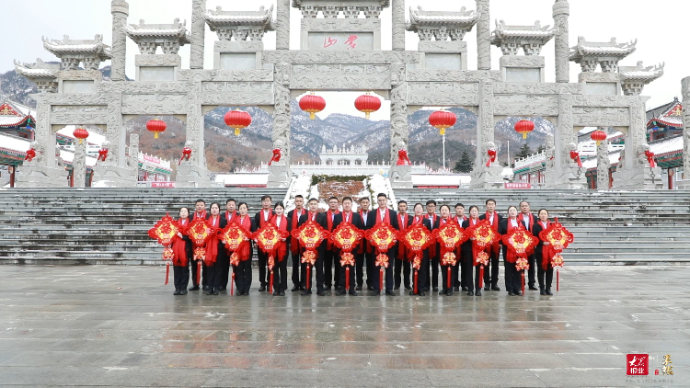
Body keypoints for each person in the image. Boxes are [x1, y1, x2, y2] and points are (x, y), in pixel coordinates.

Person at [365, 193, 399, 296]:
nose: (382, 202)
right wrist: (373, 239)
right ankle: (376, 288)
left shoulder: (393, 213)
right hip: (376, 245)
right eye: (380, 200)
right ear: (377, 201)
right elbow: (368, 228)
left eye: (383, 200)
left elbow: (396, 228)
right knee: (376, 266)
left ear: (386, 201)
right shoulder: (372, 213)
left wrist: (392, 239)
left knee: (389, 266)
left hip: (389, 246)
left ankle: (389, 288)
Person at [332, 197, 363, 296]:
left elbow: (361, 231)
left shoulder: (357, 216)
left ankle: (352, 288)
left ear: (351, 204)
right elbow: (334, 231)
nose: (347, 205)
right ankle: (341, 288)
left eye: (348, 203)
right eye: (345, 203)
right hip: (341, 247)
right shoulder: (337, 217)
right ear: (342, 205)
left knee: (352, 267)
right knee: (341, 267)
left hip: (353, 247)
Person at [298, 198, 328, 296]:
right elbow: (299, 231)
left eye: (315, 204)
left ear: (317, 205)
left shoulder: (322, 217)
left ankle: (320, 288)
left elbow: (325, 231)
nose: (313, 206)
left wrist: (318, 239)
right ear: (308, 205)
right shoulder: (303, 217)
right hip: (306, 248)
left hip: (319, 248)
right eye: (311, 204)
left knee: (319, 268)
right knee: (307, 268)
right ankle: (307, 288)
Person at [498, 206, 524, 296]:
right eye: (510, 210)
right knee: (509, 269)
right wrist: (505, 240)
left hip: (519, 249)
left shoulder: (521, 222)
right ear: (508, 212)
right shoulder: (503, 222)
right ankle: (510, 289)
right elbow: (499, 233)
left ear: (517, 212)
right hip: (508, 248)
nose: (512, 212)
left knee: (518, 268)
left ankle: (517, 288)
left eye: (514, 210)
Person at [479, 199, 502, 291]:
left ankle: (494, 283)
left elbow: (501, 231)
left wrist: (499, 242)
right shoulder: (482, 217)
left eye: (492, 204)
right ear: (486, 206)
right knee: (485, 264)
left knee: (495, 264)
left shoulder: (499, 217)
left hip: (496, 245)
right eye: (489, 204)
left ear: (495, 206)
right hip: (485, 245)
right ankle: (487, 283)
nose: (491, 206)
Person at [409, 203, 432, 296]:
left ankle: (421, 289)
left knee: (423, 269)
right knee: (414, 268)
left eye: (420, 208)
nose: (418, 210)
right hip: (413, 249)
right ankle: (414, 287)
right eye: (416, 208)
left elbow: (429, 235)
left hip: (423, 249)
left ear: (423, 210)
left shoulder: (426, 221)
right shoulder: (410, 220)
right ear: (414, 210)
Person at [435, 205, 458, 296]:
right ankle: (444, 287)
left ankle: (450, 288)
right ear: (440, 212)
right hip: (441, 249)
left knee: (451, 269)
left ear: (449, 212)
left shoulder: (454, 222)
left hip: (452, 250)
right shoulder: (437, 222)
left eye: (446, 210)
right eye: (442, 210)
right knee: (443, 269)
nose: (444, 212)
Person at [233, 202, 256, 296]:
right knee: (238, 268)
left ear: (247, 209)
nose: (242, 210)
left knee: (247, 268)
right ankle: (239, 287)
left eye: (244, 208)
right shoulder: (235, 220)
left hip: (247, 246)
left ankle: (246, 288)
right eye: (241, 208)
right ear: (238, 210)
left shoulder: (252, 220)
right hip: (236, 247)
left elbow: (254, 233)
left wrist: (250, 237)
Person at [269, 202, 291, 296]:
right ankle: (276, 287)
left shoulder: (287, 220)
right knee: (274, 267)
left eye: (280, 209)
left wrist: (286, 238)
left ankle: (282, 288)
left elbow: (290, 232)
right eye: (277, 209)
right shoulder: (271, 220)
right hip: (273, 247)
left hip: (283, 247)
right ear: (275, 210)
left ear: (283, 210)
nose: (278, 210)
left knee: (283, 268)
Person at [205, 203, 227, 296]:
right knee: (209, 268)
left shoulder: (223, 220)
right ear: (210, 210)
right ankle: (210, 287)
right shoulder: (206, 220)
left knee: (218, 268)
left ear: (219, 209)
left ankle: (216, 287)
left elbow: (225, 232)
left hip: (219, 247)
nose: (214, 209)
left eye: (216, 208)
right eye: (212, 208)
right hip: (208, 247)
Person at [254, 195, 274, 292]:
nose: (266, 203)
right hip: (261, 243)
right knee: (262, 264)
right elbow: (255, 229)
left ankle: (270, 281)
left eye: (267, 201)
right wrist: (256, 241)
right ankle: (262, 282)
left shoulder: (274, 213)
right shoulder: (258, 215)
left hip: (272, 243)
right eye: (264, 201)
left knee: (270, 262)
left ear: (271, 202)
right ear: (262, 203)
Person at [532, 209, 554, 296]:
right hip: (540, 251)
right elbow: (534, 238)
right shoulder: (536, 226)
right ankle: (542, 288)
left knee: (550, 270)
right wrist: (542, 243)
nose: (543, 215)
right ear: (539, 216)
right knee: (541, 270)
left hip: (551, 251)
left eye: (545, 214)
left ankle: (548, 288)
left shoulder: (552, 225)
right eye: (541, 214)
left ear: (547, 215)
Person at [461, 206, 482, 296]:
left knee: (479, 269)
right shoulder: (465, 223)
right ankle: (470, 289)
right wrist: (469, 238)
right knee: (469, 269)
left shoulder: (482, 222)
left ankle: (478, 289)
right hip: (468, 248)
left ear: (478, 213)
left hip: (480, 249)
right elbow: (463, 235)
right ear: (469, 213)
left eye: (475, 211)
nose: (474, 213)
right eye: (472, 211)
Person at [287, 195, 306, 292]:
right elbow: (288, 228)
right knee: (295, 264)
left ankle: (303, 283)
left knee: (303, 263)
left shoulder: (306, 213)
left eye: (300, 201)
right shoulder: (290, 214)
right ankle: (295, 283)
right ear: (294, 202)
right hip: (294, 242)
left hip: (304, 242)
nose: (298, 203)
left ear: (303, 202)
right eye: (297, 201)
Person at [172, 207, 192, 295]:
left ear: (188, 213)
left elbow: (192, 236)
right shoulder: (175, 224)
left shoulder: (191, 223)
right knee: (176, 269)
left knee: (184, 269)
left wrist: (182, 236)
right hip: (175, 249)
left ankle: (183, 288)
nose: (183, 213)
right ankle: (177, 287)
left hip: (185, 249)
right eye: (182, 211)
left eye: (185, 211)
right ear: (179, 213)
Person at [519, 201, 539, 291]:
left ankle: (531, 283)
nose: (524, 207)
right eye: (522, 206)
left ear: (529, 207)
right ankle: (521, 283)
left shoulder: (534, 218)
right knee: (521, 264)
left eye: (526, 206)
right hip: (521, 245)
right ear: (520, 208)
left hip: (531, 245)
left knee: (531, 265)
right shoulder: (517, 218)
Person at [394, 200, 413, 292]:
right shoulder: (394, 218)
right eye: (400, 206)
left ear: (406, 207)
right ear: (398, 207)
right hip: (397, 245)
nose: (402, 208)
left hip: (407, 246)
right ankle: (397, 284)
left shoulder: (410, 218)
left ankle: (407, 284)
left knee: (407, 267)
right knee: (397, 267)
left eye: (404, 206)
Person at [189, 199, 208, 291]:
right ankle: (195, 284)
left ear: (204, 206)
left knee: (206, 265)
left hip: (205, 245)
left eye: (201, 205)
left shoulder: (208, 216)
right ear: (195, 206)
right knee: (194, 265)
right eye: (198, 205)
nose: (199, 207)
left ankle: (205, 284)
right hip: (194, 245)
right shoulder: (191, 216)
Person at [219, 198, 237, 291]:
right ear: (226, 206)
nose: (231, 206)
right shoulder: (221, 216)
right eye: (229, 204)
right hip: (224, 246)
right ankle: (222, 284)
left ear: (235, 206)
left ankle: (238, 284)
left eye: (232, 204)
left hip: (236, 246)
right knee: (224, 266)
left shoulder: (238, 216)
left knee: (236, 266)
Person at [323, 197, 341, 291]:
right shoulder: (323, 215)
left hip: (339, 243)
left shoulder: (341, 215)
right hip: (327, 244)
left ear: (338, 204)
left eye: (335, 202)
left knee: (338, 264)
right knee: (327, 265)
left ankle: (338, 283)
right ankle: (327, 283)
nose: (333, 204)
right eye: (331, 202)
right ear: (328, 203)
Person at [357, 197, 374, 291]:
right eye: (363, 202)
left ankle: (370, 283)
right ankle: (359, 283)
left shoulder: (373, 214)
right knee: (358, 264)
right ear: (360, 204)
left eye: (366, 202)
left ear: (369, 204)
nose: (364, 204)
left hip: (370, 242)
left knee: (370, 264)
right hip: (359, 243)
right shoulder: (356, 215)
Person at [424, 200, 439, 291]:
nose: (430, 208)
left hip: (436, 245)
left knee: (435, 266)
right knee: (425, 265)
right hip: (425, 245)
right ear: (426, 208)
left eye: (432, 206)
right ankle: (426, 284)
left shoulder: (439, 219)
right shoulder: (423, 219)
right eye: (429, 206)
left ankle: (435, 284)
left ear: (435, 208)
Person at [453, 203, 468, 292]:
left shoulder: (468, 221)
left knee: (465, 266)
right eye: (458, 208)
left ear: (464, 210)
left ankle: (464, 284)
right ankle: (455, 284)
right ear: (455, 210)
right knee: (454, 266)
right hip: (454, 247)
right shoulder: (451, 220)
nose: (459, 210)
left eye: (461, 208)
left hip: (465, 246)